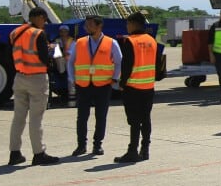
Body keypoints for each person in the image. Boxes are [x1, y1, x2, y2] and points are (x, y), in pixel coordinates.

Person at [7, 7, 60, 166]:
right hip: (36, 77)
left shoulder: (15, 32)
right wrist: (50, 50)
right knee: (36, 118)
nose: (44, 23)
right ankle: (39, 153)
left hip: (20, 76)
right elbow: (44, 58)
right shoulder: (38, 34)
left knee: (18, 117)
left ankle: (14, 153)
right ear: (40, 17)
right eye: (44, 19)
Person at [69, 15, 122, 157]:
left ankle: (97, 145)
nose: (87, 27)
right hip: (83, 85)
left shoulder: (111, 43)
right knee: (82, 117)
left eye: (90, 25)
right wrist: (72, 78)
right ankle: (81, 145)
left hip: (103, 85)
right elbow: (70, 62)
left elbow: (119, 62)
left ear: (99, 26)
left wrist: (115, 78)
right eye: (86, 25)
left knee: (101, 116)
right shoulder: (79, 42)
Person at [115, 12, 159, 163]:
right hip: (148, 86)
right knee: (145, 119)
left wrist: (122, 83)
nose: (127, 26)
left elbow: (127, 65)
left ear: (134, 24)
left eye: (128, 23)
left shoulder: (131, 41)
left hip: (133, 87)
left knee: (134, 121)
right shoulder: (151, 40)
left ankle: (132, 150)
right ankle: (145, 150)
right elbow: (158, 64)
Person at [49, 24, 75, 104]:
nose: (63, 33)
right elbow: (55, 53)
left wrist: (66, 53)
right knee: (59, 57)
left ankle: (72, 99)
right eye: (61, 31)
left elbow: (73, 51)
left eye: (65, 31)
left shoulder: (72, 41)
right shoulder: (56, 41)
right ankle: (62, 70)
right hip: (61, 62)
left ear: (68, 32)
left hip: (70, 61)